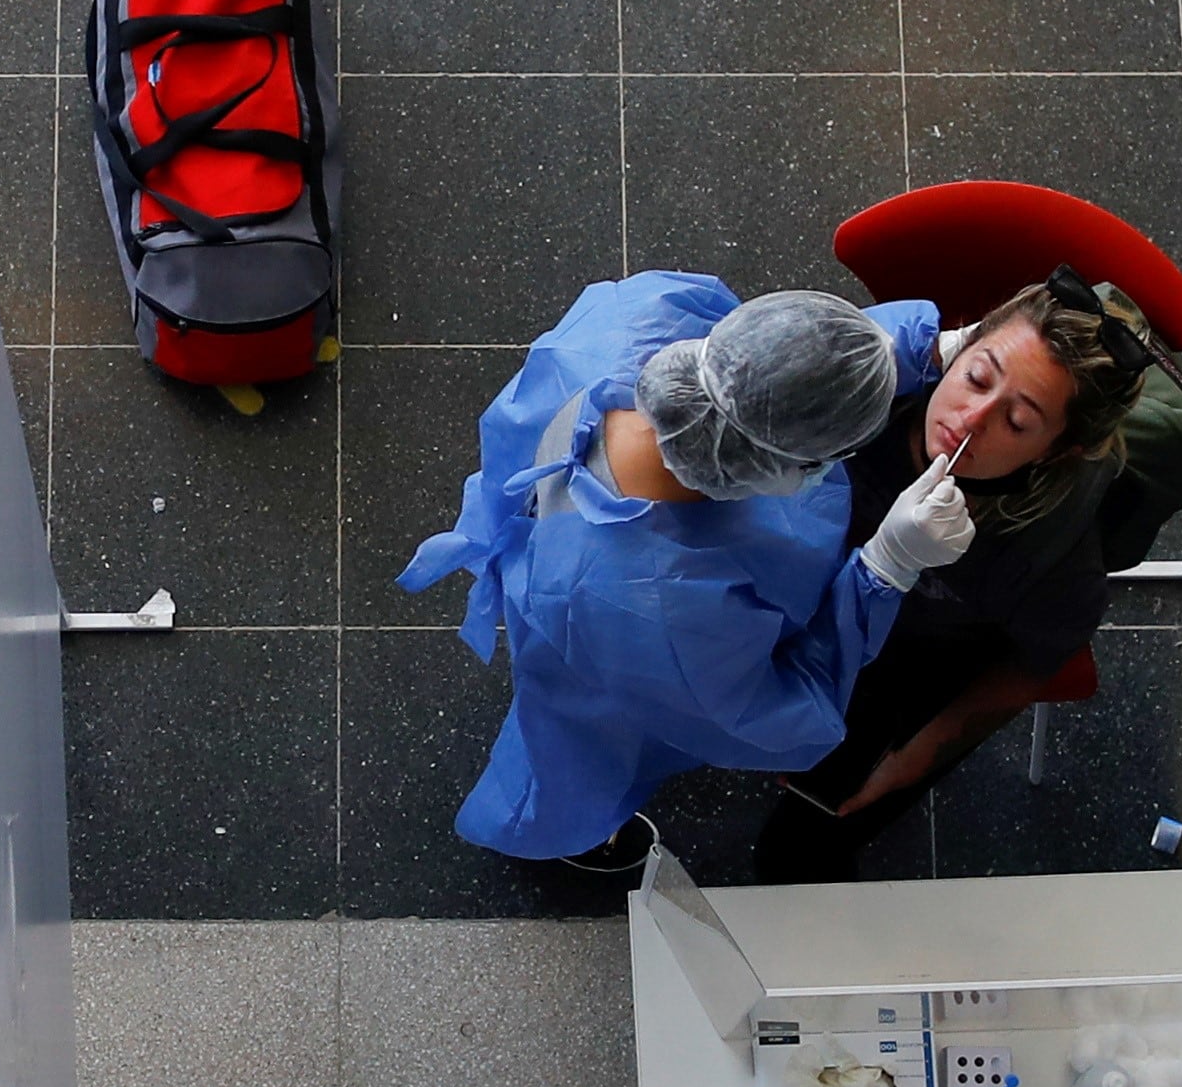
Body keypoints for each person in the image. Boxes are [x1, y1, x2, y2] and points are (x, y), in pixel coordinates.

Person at [397, 273, 973, 871]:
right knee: (580, 750)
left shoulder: (643, 314)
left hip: (548, 547)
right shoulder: (662, 614)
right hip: (598, 642)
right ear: (785, 463)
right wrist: (886, 568)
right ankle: (556, 832)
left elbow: (779, 366)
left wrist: (929, 348)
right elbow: (778, 719)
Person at [752, 269, 1182, 882]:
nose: (968, 420)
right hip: (795, 576)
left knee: (801, 847)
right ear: (964, 342)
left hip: (910, 653)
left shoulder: (1049, 551)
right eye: (976, 376)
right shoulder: (871, 382)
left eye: (1018, 423)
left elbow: (1029, 666)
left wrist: (909, 762)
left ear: (1058, 450)